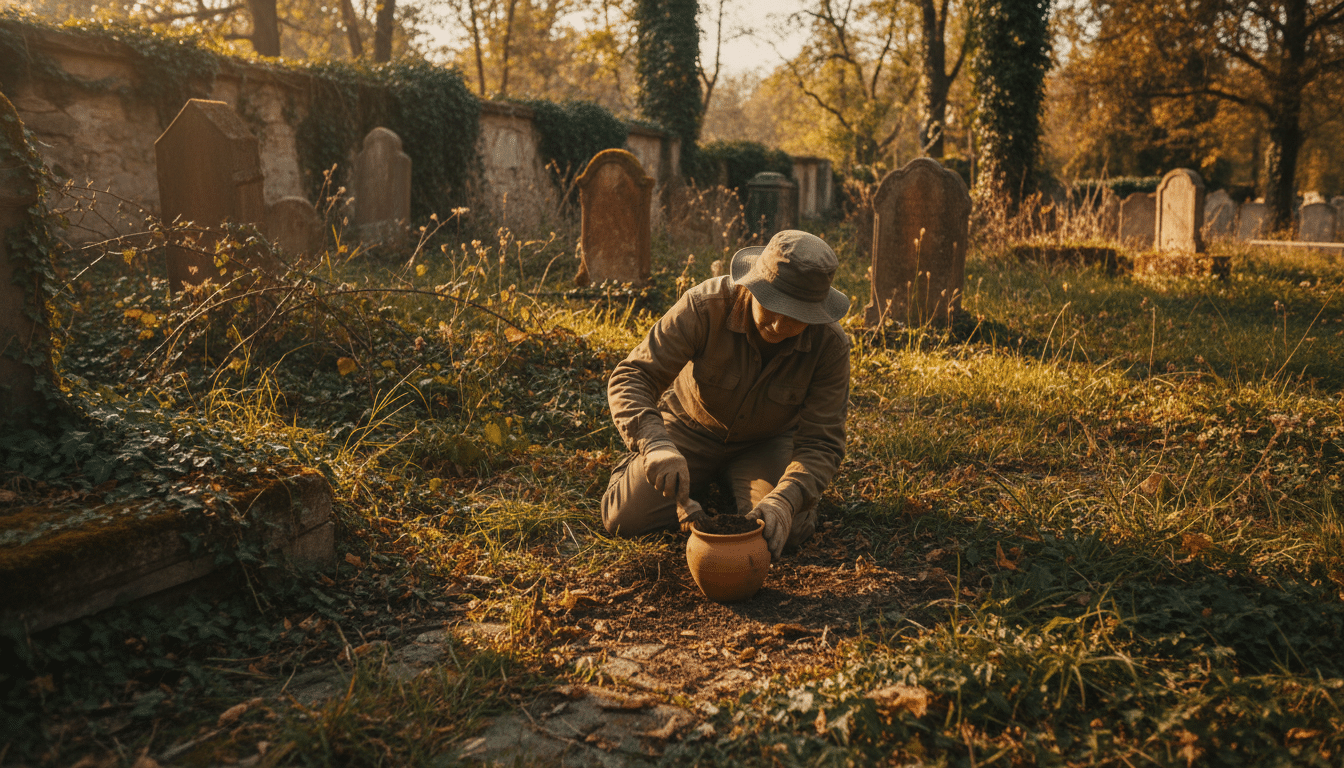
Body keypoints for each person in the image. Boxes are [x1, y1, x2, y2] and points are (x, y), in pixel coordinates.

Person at [602, 229, 851, 559]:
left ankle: (746, 487)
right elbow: (632, 376)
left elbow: (822, 442)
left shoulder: (830, 345)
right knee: (623, 520)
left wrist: (788, 498)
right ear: (754, 285)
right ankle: (660, 468)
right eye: (773, 306)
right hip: (689, 428)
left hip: (766, 442)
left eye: (796, 317)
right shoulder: (705, 306)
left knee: (781, 531)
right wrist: (654, 444)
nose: (778, 325)